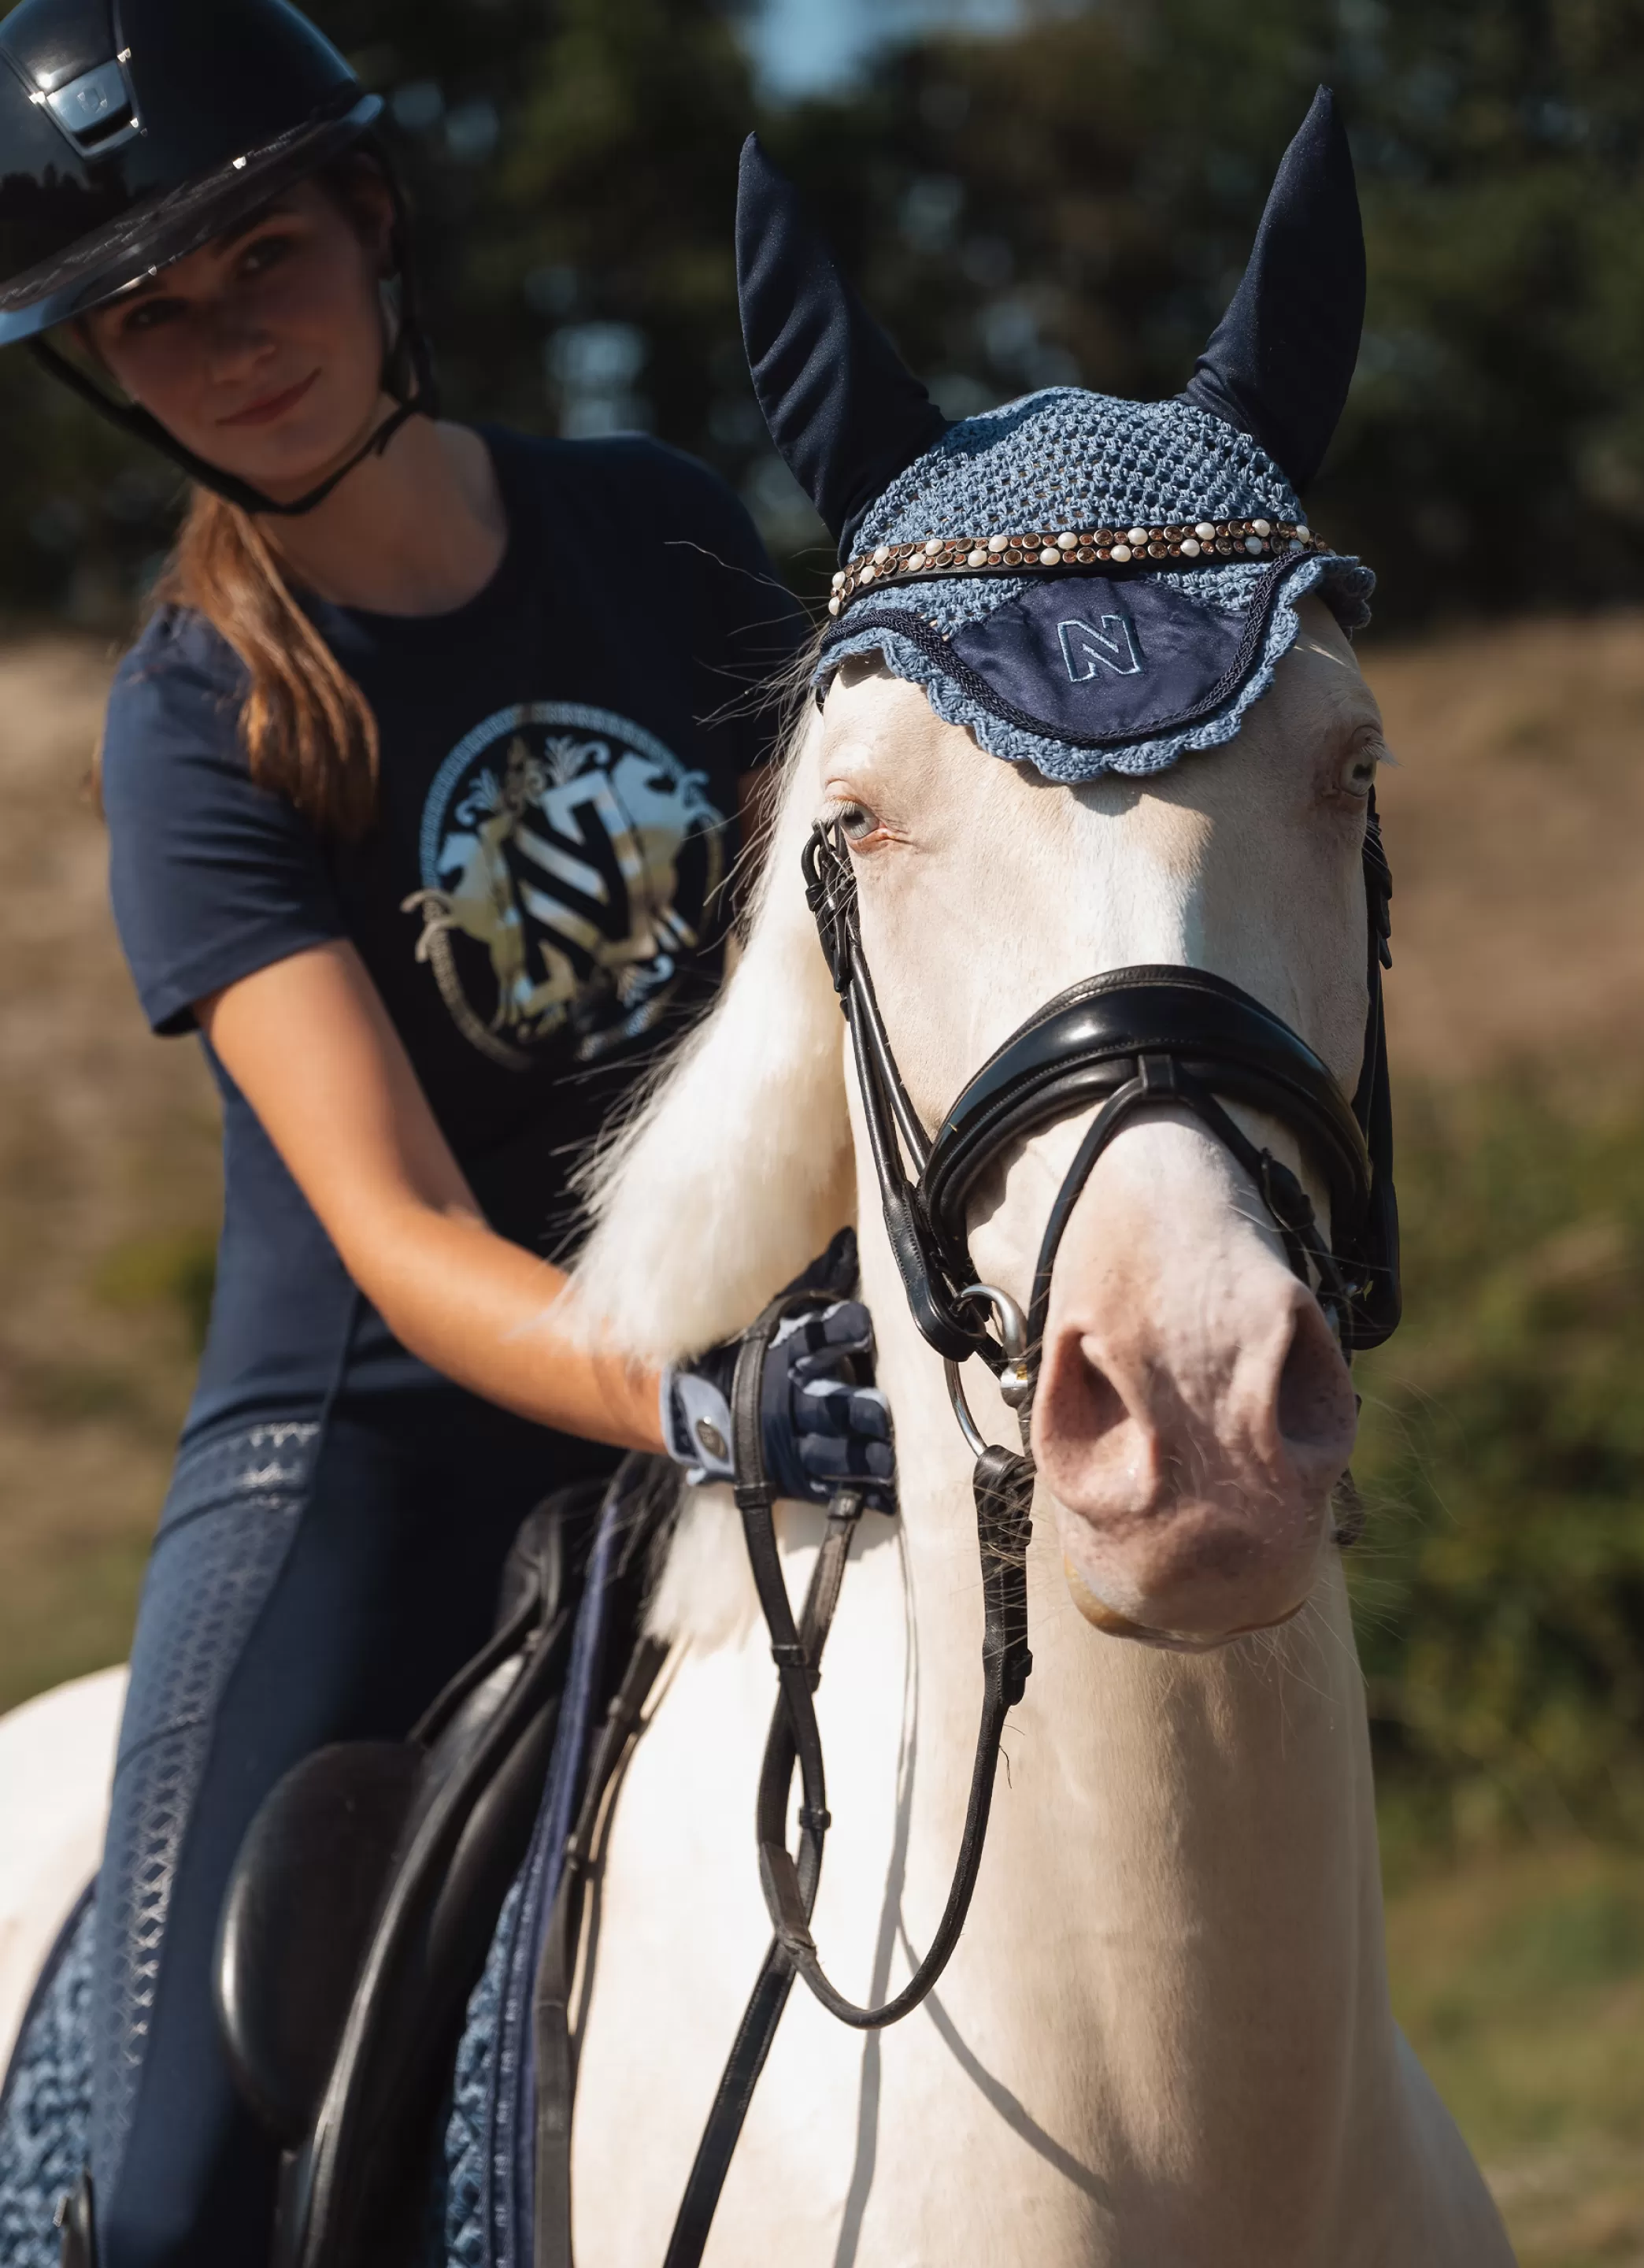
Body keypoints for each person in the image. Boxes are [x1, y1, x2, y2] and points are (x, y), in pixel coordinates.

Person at [0, 2, 891, 2261]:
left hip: (779, 1391)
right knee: (178, 2177)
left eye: (261, 258)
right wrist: (698, 1398)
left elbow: (852, 976)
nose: (228, 343)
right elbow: (393, 1228)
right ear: (101, 370)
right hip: (374, 1459)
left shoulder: (664, 530)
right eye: (149, 317)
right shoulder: (197, 725)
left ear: (375, 224)